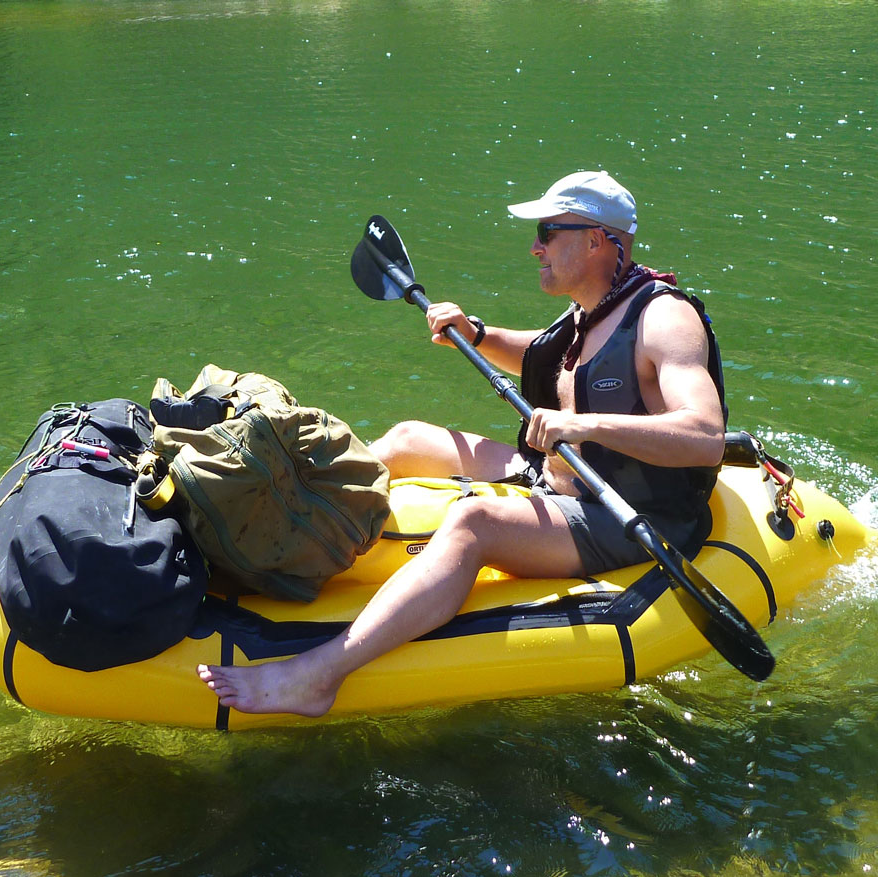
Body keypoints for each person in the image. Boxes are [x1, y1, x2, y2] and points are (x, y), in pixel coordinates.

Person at [197, 170, 727, 717]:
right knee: (407, 439)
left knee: (475, 522)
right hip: (557, 472)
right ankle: (265, 541)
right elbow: (549, 356)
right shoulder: (594, 305)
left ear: (595, 240)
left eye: (547, 233)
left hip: (626, 514)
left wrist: (586, 427)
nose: (536, 248)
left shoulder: (665, 318)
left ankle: (318, 676)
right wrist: (477, 335)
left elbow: (706, 436)